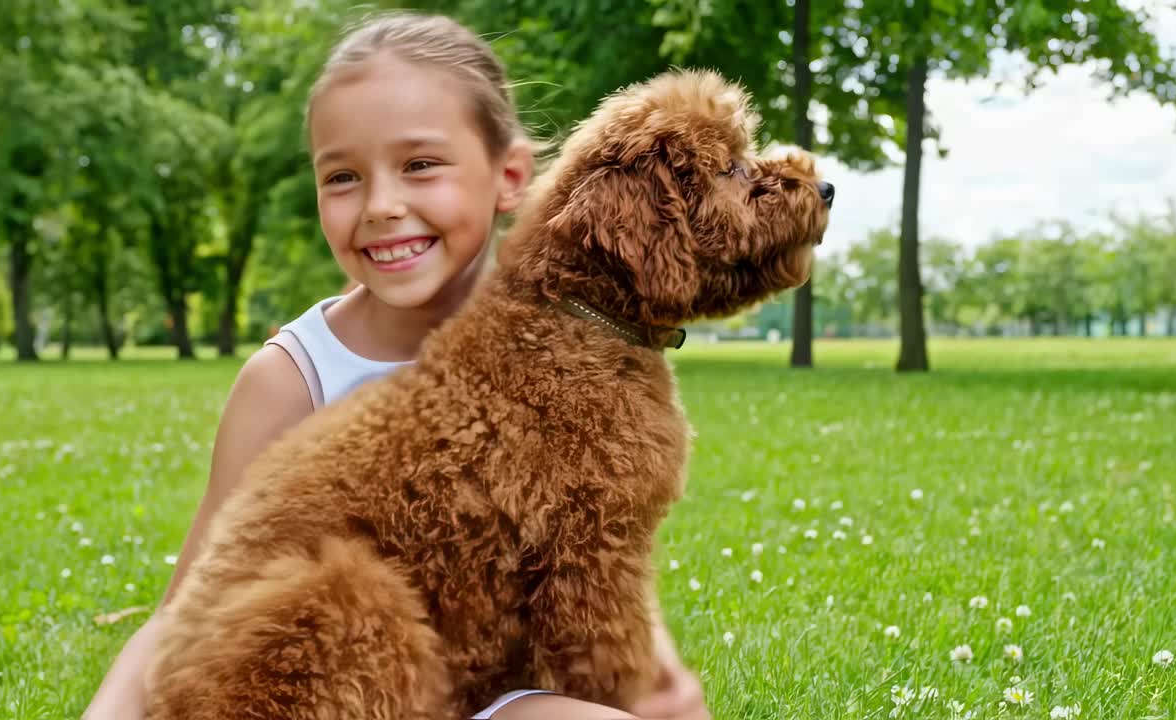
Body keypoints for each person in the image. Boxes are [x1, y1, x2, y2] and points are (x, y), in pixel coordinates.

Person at [83, 11, 709, 720]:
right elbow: (186, 611)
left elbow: (584, 543)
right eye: (343, 176)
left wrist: (660, 673)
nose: (382, 207)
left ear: (508, 176)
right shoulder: (294, 376)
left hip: (494, 696)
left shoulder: (565, 346)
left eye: (419, 165)